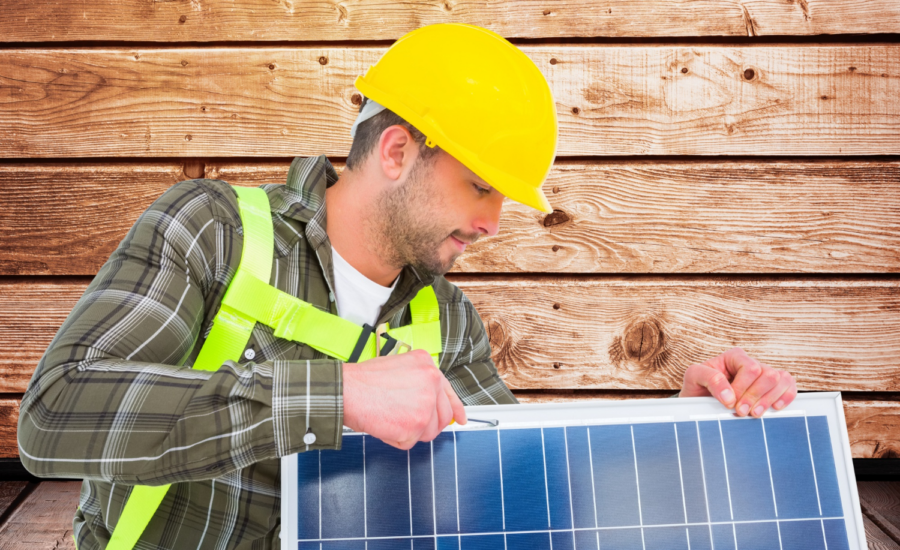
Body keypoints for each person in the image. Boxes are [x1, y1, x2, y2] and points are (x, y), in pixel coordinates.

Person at [17, 23, 797, 550]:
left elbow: (525, 492)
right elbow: (55, 412)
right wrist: (334, 396)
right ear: (396, 152)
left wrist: (688, 427)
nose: (493, 222)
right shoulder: (213, 230)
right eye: (481, 188)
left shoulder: (445, 320)